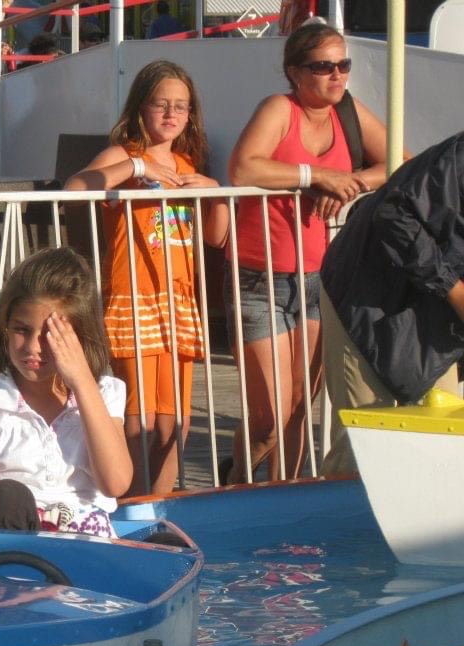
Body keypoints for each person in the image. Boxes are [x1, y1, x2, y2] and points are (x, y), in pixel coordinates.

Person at [224, 21, 389, 484]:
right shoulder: (280, 108)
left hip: (318, 277)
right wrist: (316, 175)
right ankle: (239, 479)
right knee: (269, 418)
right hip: (260, 276)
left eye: (344, 65)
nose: (337, 75)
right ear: (295, 72)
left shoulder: (349, 112)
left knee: (300, 408)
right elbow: (243, 167)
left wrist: (351, 182)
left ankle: (280, 499)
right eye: (324, 66)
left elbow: (399, 162)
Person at [65, 60, 229, 495]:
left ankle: (160, 502)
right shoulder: (124, 156)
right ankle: (131, 500)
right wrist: (139, 170)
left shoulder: (186, 162)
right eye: (161, 105)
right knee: (140, 418)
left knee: (177, 419)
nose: (172, 115)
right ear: (141, 108)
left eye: (182, 107)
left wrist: (216, 192)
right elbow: (76, 189)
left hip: (176, 300)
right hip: (135, 299)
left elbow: (216, 237)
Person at [0, 248, 133, 537]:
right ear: (4, 328)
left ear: (79, 338)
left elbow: (116, 483)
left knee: (171, 548)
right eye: (22, 330)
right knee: (9, 496)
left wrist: (83, 382)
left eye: (50, 335)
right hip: (8, 545)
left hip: (85, 551)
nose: (34, 347)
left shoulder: (103, 393)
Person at [320, 133, 464, 476]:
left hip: (437, 312)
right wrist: (455, 291)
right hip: (367, 293)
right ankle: (345, 523)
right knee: (362, 443)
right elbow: (394, 214)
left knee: (443, 441)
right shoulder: (458, 160)